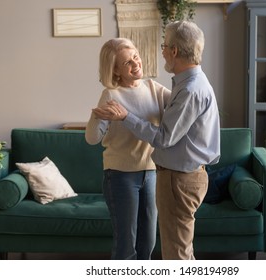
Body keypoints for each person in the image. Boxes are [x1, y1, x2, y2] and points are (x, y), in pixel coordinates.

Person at [96, 21, 221, 260]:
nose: (161, 51)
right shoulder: (186, 85)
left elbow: (163, 138)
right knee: (180, 250)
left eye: (164, 46)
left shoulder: (189, 90)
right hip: (175, 177)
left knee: (176, 255)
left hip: (179, 180)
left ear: (174, 51)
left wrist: (125, 116)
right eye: (127, 61)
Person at [85, 38, 171, 260]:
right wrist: (97, 116)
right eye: (127, 63)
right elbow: (92, 139)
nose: (136, 64)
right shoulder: (111, 95)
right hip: (120, 176)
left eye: (135, 57)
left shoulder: (154, 88)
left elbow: (183, 103)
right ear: (114, 70)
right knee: (126, 244)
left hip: (151, 172)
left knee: (149, 241)